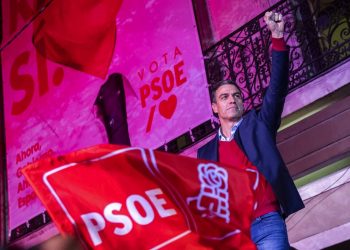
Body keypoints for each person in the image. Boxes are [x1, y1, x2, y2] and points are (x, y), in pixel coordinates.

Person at [197, 11, 304, 249]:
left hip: (267, 222)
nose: (232, 100)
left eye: (236, 96)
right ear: (215, 107)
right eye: (224, 97)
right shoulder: (204, 154)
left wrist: (277, 38)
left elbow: (276, 89)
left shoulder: (258, 124)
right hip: (235, 234)